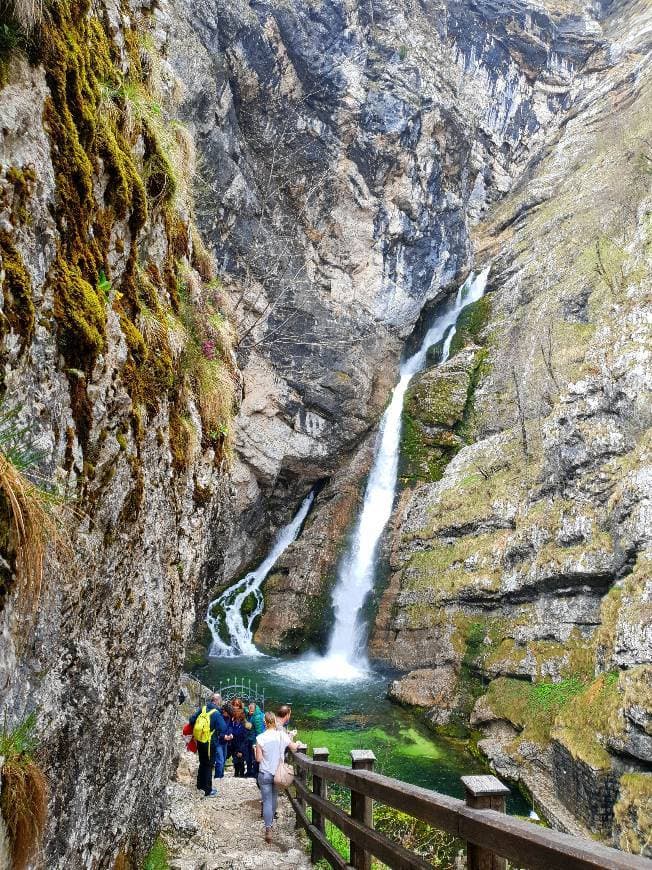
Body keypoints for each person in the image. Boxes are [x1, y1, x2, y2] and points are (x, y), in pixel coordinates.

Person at [255, 711, 298, 843]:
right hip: (277, 773)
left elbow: (258, 759)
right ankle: (271, 823)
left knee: (267, 801)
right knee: (273, 800)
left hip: (264, 773)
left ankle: (268, 829)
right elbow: (294, 748)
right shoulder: (281, 735)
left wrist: (255, 750)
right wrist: (297, 742)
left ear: (265, 723)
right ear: (274, 721)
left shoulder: (260, 738)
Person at [188, 693, 227, 797]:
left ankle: (200, 786)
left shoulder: (203, 709)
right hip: (210, 742)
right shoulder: (216, 714)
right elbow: (223, 728)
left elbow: (191, 720)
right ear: (218, 701)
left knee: (202, 762)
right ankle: (207, 790)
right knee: (209, 765)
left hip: (200, 740)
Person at [227, 708, 249, 777]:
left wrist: (241, 751)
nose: (233, 716)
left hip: (241, 746)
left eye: (235, 715)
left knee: (241, 762)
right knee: (235, 762)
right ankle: (236, 774)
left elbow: (245, 739)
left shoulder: (244, 725)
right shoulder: (233, 723)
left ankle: (242, 775)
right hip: (233, 746)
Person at [246, 701, 265, 778]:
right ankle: (251, 772)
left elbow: (259, 731)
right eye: (249, 709)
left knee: (254, 757)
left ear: (254, 709)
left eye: (251, 710)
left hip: (254, 740)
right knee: (251, 756)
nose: (249, 711)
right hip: (251, 739)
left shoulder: (256, 717)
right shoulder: (255, 714)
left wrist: (256, 743)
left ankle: (255, 774)